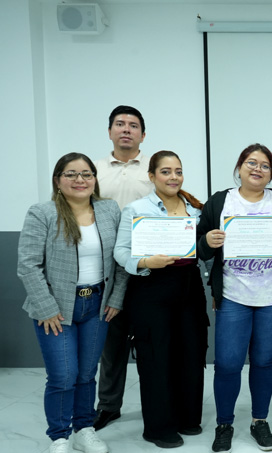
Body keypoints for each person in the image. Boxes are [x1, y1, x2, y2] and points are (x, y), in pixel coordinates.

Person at [18, 153, 128, 453]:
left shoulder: (109, 210)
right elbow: (27, 265)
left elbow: (120, 259)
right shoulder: (43, 213)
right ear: (58, 180)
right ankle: (59, 439)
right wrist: (47, 307)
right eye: (71, 174)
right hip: (56, 308)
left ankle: (83, 430)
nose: (79, 180)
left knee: (86, 373)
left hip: (98, 304)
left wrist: (117, 297)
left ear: (95, 179)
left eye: (86, 174)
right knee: (63, 376)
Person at [197, 143, 272, 453]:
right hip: (233, 294)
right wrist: (207, 240)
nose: (257, 169)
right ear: (239, 167)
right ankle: (224, 425)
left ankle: (260, 421)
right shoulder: (221, 201)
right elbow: (199, 245)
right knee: (229, 363)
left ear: (271, 172)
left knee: (263, 361)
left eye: (264, 165)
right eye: (251, 163)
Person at [114, 151, 208, 448]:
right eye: (166, 172)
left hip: (190, 288)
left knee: (191, 353)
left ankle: (188, 418)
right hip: (151, 289)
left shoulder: (196, 209)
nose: (173, 177)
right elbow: (121, 251)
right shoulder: (136, 209)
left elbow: (204, 251)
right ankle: (158, 427)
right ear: (152, 176)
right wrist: (144, 263)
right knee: (156, 357)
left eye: (178, 171)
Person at [94, 105, 152, 431]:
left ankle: (155, 404)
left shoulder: (155, 167)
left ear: (143, 134)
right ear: (110, 131)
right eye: (120, 124)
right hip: (106, 266)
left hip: (147, 264)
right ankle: (108, 406)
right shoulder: (94, 170)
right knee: (112, 342)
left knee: (149, 342)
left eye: (133, 125)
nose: (126, 130)